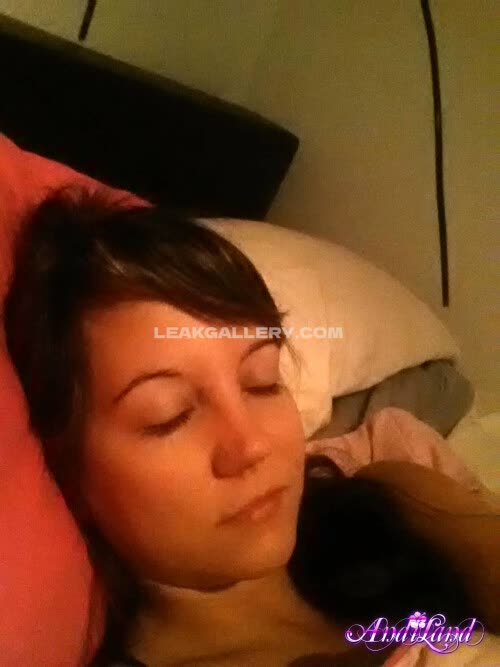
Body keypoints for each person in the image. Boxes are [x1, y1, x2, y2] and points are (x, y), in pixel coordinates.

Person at [3, 189, 499, 667]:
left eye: (261, 381)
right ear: (72, 473)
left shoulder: (395, 499)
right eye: (169, 415)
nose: (253, 444)